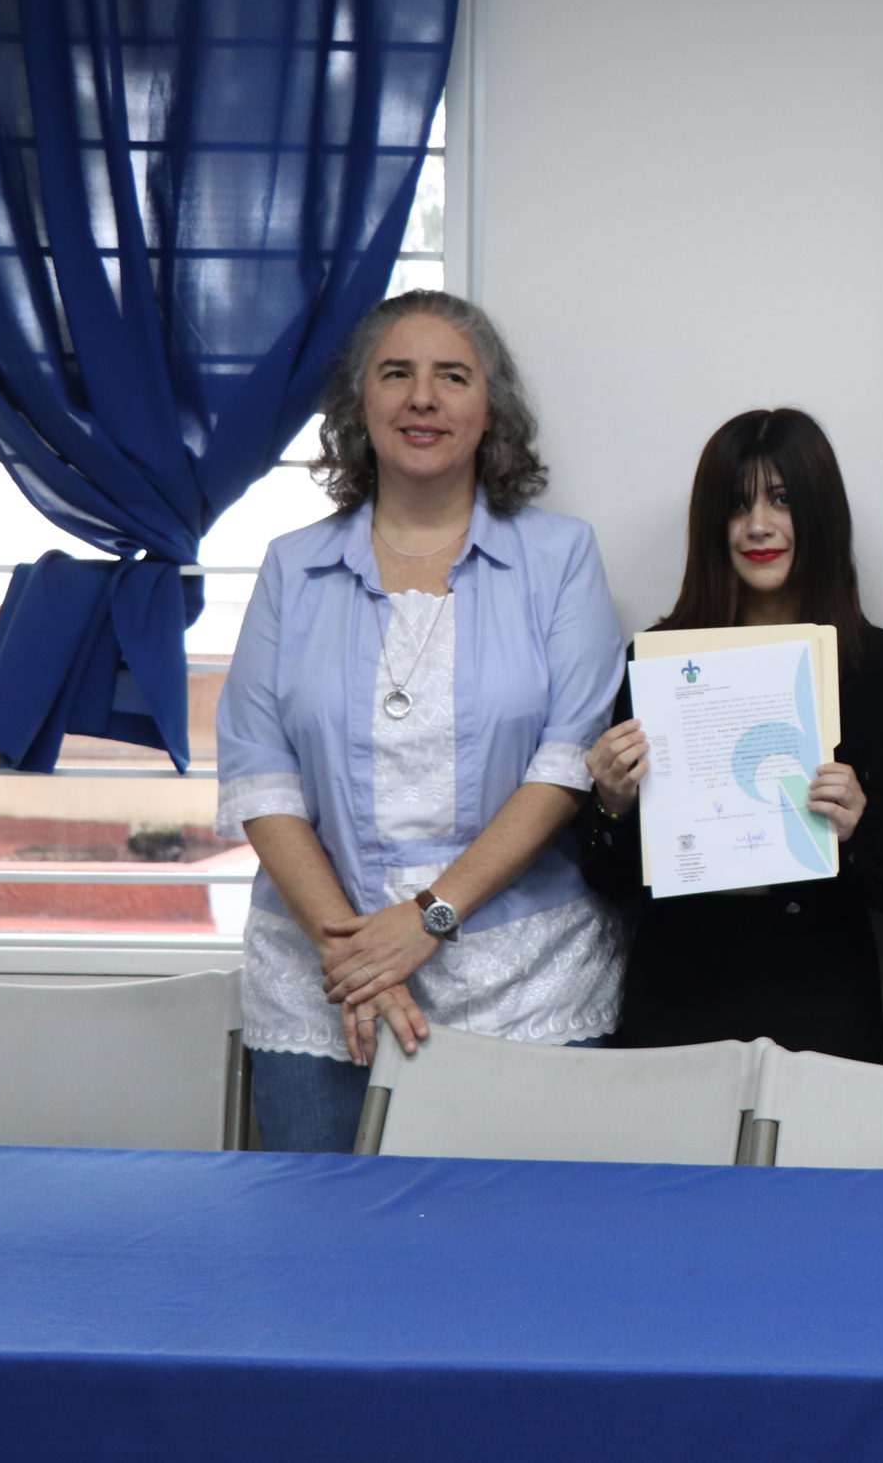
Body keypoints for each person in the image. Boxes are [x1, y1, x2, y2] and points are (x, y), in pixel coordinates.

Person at [216, 290, 625, 1154]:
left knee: (520, 1235)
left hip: (527, 980)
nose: (423, 398)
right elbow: (260, 773)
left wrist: (425, 920)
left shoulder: (561, 558)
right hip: (327, 985)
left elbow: (567, 764)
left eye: (453, 376)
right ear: (359, 405)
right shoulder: (293, 567)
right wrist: (360, 959)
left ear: (491, 409)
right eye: (396, 373)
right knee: (322, 1233)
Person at [579, 410, 883, 1060]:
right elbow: (609, 879)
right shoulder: (658, 662)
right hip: (679, 995)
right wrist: (611, 803)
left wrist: (861, 830)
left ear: (821, 513)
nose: (758, 526)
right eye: (737, 505)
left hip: (822, 1000)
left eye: (783, 499)